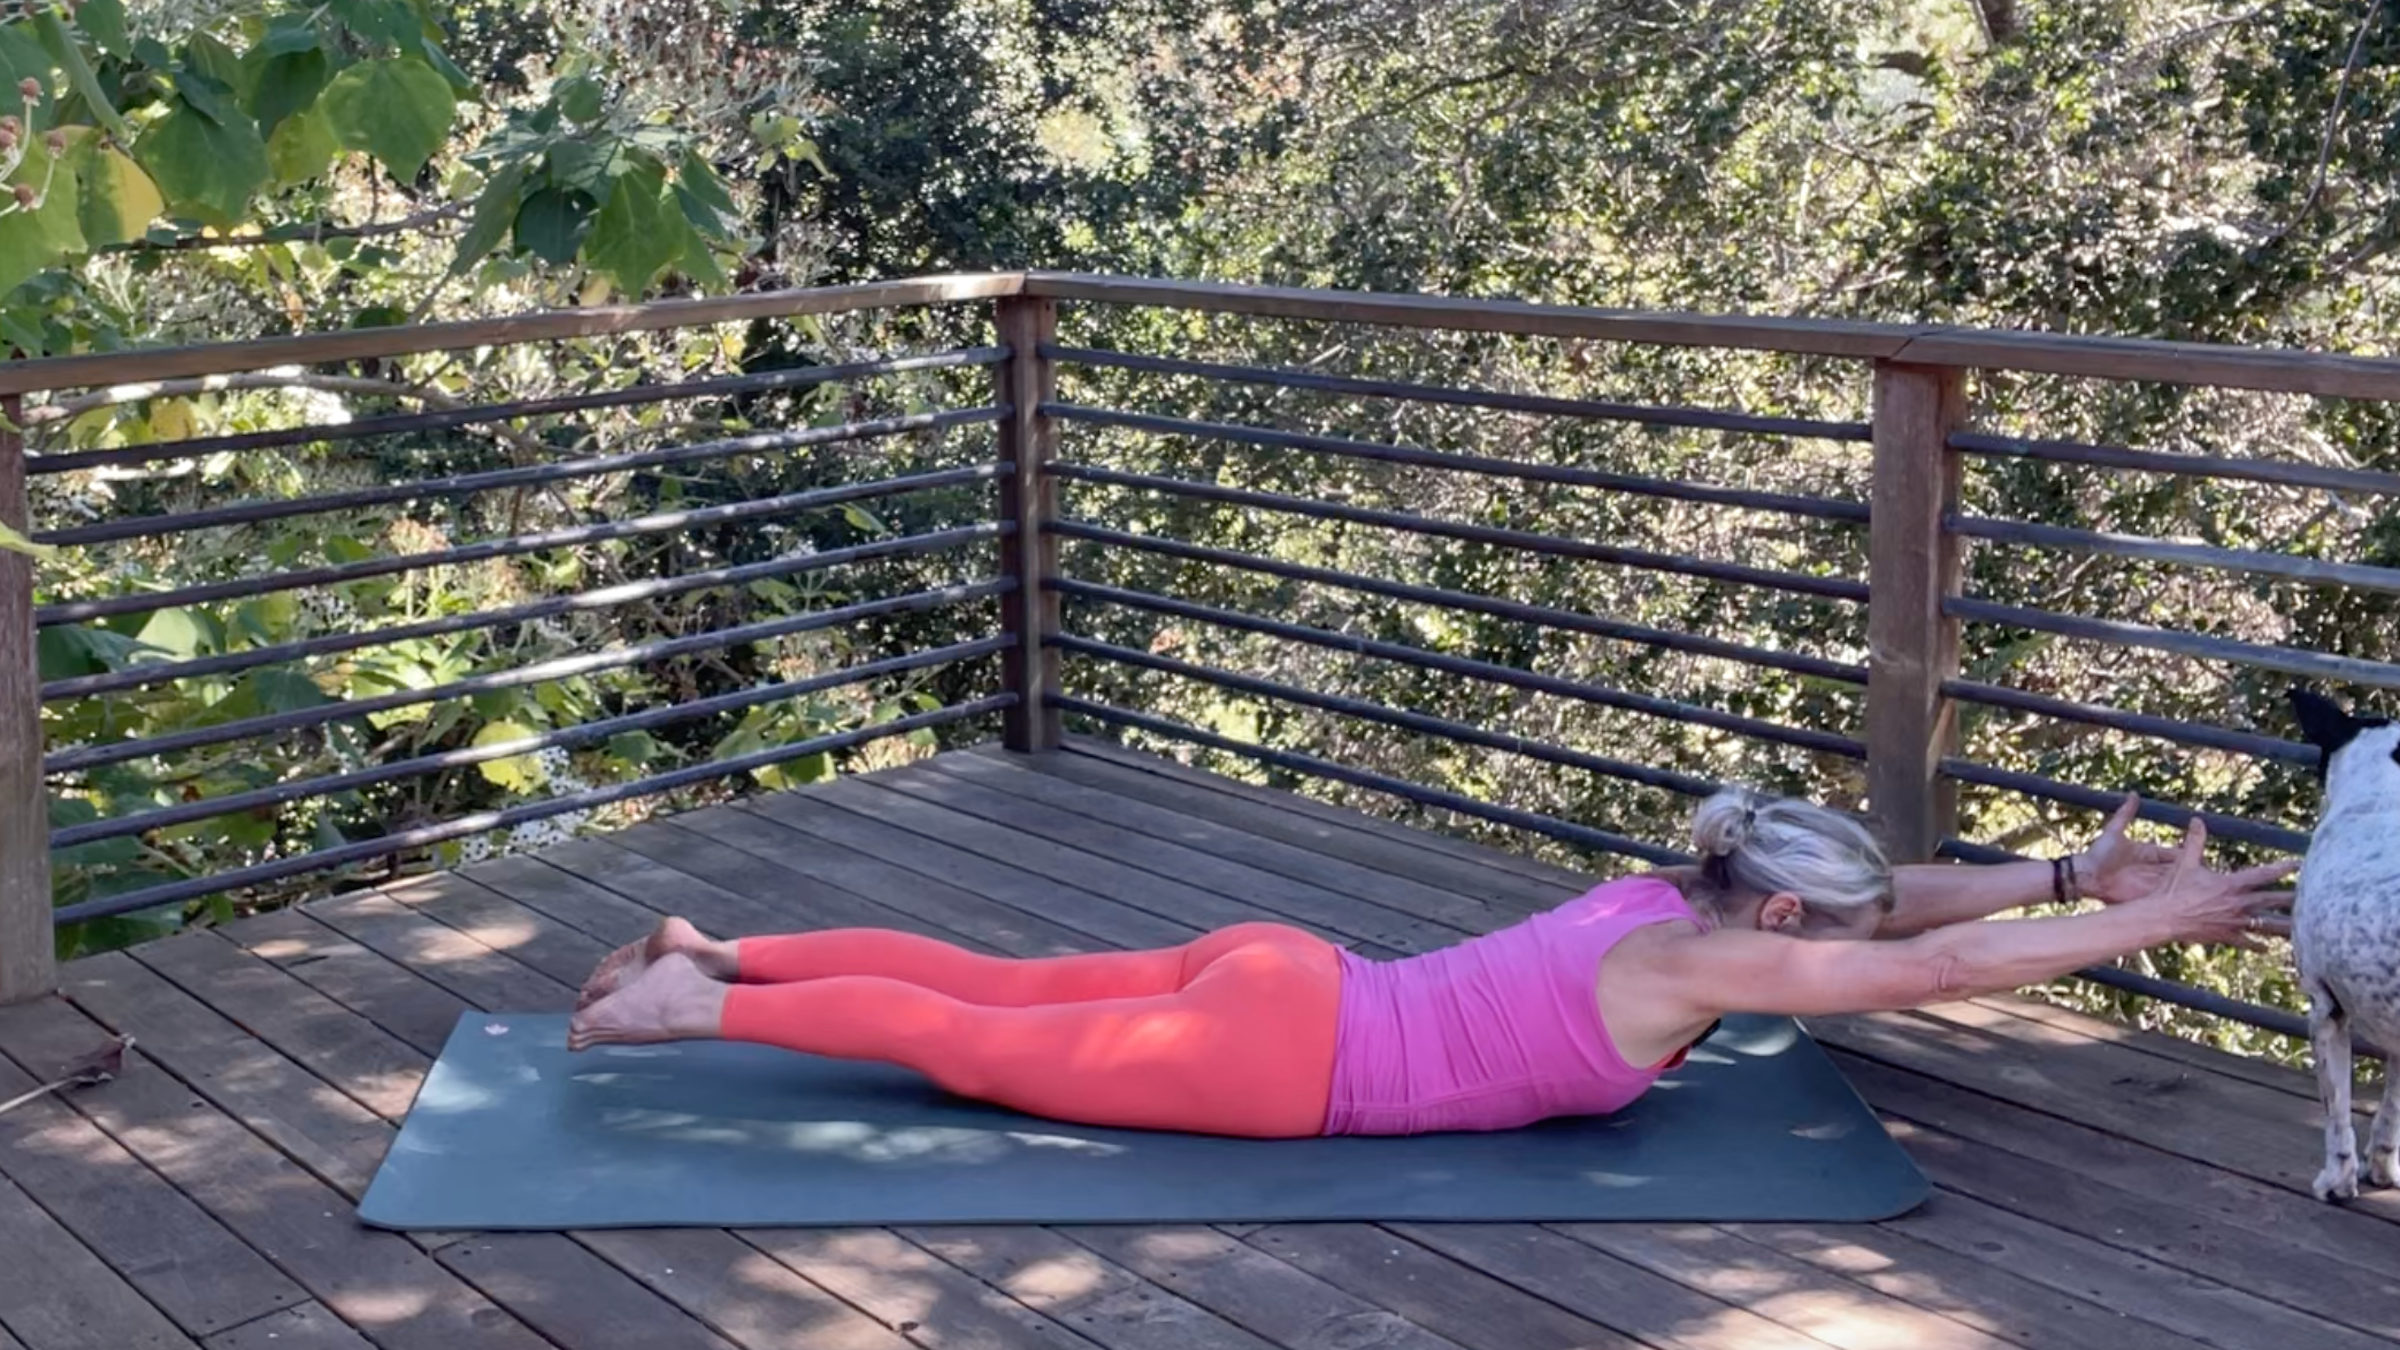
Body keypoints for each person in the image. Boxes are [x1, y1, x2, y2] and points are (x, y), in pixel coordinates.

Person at [565, 788, 2295, 1137]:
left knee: (998, 980)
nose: (1852, 931)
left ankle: (731, 944)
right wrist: (2145, 921)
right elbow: (1918, 968)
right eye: (1823, 926)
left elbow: (1898, 900)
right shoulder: (1734, 974)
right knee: (960, 1035)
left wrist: (2070, 868)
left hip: (1294, 968)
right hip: (1293, 1066)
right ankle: (684, 999)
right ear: (1780, 922)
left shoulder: (1672, 903)